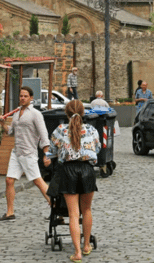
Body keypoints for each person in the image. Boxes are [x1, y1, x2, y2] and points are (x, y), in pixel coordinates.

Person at [49, 100, 99, 262]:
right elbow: (97, 149)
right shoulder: (91, 130)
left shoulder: (60, 130)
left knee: (73, 214)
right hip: (87, 170)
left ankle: (77, 252)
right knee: (87, 210)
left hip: (68, 171)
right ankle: (86, 246)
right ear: (83, 113)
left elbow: (52, 152)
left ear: (67, 113)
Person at [0, 86, 52, 221]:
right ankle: (10, 213)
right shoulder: (16, 113)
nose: (22, 98)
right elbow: (11, 131)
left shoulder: (35, 114)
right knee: (9, 180)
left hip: (29, 153)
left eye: (25, 96)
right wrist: (3, 124)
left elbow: (44, 135)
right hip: (17, 152)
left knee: (38, 182)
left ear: (31, 98)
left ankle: (55, 207)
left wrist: (46, 154)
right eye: (21, 96)